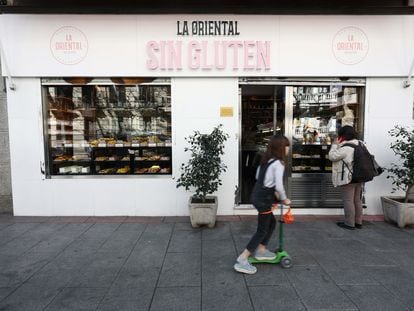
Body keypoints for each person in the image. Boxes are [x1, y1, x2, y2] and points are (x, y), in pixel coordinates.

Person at [234, 135, 291, 274]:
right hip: (264, 200)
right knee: (262, 229)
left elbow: (259, 178)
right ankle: (243, 258)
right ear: (281, 148)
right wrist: (284, 198)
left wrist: (275, 194)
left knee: (271, 223)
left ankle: (261, 250)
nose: (288, 148)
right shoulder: (278, 164)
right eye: (287, 145)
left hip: (258, 196)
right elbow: (278, 185)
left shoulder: (267, 161)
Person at [328, 125, 363, 230]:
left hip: (349, 177)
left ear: (342, 135)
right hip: (360, 176)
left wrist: (334, 145)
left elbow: (332, 157)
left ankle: (349, 223)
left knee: (348, 200)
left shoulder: (347, 148)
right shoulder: (361, 144)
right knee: (357, 200)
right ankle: (358, 222)